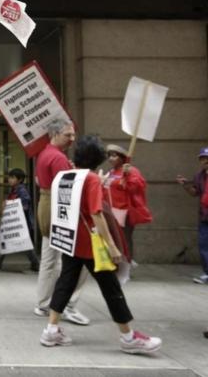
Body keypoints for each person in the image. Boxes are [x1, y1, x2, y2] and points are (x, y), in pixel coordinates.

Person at [40, 135, 162, 355]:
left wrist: (99, 183)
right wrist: (113, 247)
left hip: (70, 240)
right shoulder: (92, 180)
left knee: (65, 282)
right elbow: (96, 214)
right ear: (98, 159)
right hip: (92, 244)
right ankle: (128, 337)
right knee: (111, 289)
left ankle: (51, 329)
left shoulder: (64, 175)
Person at [34, 118, 90, 326]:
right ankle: (67, 303)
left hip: (46, 205)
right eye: (68, 134)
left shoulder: (45, 154)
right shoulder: (57, 158)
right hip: (59, 209)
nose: (72, 139)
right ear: (55, 134)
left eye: (73, 134)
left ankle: (43, 302)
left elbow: (40, 181)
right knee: (75, 261)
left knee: (49, 259)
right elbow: (69, 190)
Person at [103, 144, 151, 266]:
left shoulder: (132, 170)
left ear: (122, 157)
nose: (110, 159)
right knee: (114, 237)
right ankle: (116, 262)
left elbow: (138, 187)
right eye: (109, 156)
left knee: (124, 238)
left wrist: (128, 175)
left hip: (124, 211)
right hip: (110, 210)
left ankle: (127, 263)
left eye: (114, 156)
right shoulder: (111, 172)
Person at [0, 168, 39, 271]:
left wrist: (11, 204)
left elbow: (25, 205)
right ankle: (35, 264)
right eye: (9, 177)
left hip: (21, 223)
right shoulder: (14, 189)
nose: (10, 180)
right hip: (16, 223)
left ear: (19, 180)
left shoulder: (21, 190)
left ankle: (35, 264)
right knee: (9, 241)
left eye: (12, 178)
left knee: (22, 244)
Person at [176, 146, 208, 285]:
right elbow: (195, 192)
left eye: (207, 158)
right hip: (204, 217)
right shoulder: (199, 176)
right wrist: (185, 184)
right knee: (204, 246)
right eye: (202, 158)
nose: (205, 161)